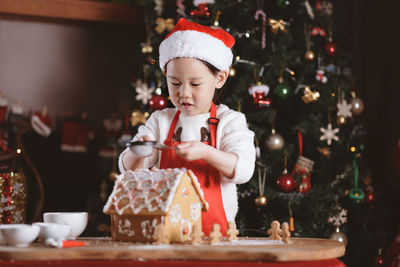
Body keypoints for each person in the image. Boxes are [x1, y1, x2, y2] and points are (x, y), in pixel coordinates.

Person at [119, 18, 255, 235]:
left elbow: (243, 170)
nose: (184, 93)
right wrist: (140, 152)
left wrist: (206, 152)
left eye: (195, 84)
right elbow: (128, 171)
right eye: (175, 83)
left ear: (219, 78)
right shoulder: (160, 120)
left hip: (215, 234)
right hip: (165, 232)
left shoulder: (230, 121)